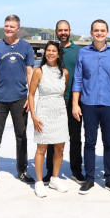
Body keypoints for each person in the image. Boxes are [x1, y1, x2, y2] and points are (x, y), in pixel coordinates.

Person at [71, 19, 110, 195]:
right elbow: (77, 80)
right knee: (89, 142)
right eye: (96, 30)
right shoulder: (83, 53)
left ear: (107, 33)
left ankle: (109, 179)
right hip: (89, 104)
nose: (99, 33)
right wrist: (75, 104)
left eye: (102, 30)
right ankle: (89, 179)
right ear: (91, 32)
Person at [0, 14, 36, 187]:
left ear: (18, 28)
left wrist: (30, 97)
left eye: (12, 26)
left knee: (21, 136)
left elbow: (30, 73)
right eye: (6, 26)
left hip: (20, 98)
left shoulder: (26, 47)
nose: (8, 29)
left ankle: (22, 170)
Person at [43, 20, 84, 184]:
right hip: (54, 100)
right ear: (56, 32)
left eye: (65, 30)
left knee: (75, 137)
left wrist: (77, 101)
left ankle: (76, 171)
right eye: (60, 30)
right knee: (52, 137)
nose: (63, 33)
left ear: (70, 31)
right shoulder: (52, 50)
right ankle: (50, 172)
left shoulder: (79, 51)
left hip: (74, 100)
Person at [29, 41, 70, 197]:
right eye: (48, 50)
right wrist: (34, 116)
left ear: (58, 54)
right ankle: (39, 182)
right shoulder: (39, 71)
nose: (51, 53)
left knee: (60, 148)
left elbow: (63, 92)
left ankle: (55, 178)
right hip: (43, 113)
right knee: (42, 149)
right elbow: (31, 94)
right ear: (45, 53)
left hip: (60, 112)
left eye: (54, 51)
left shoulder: (64, 73)